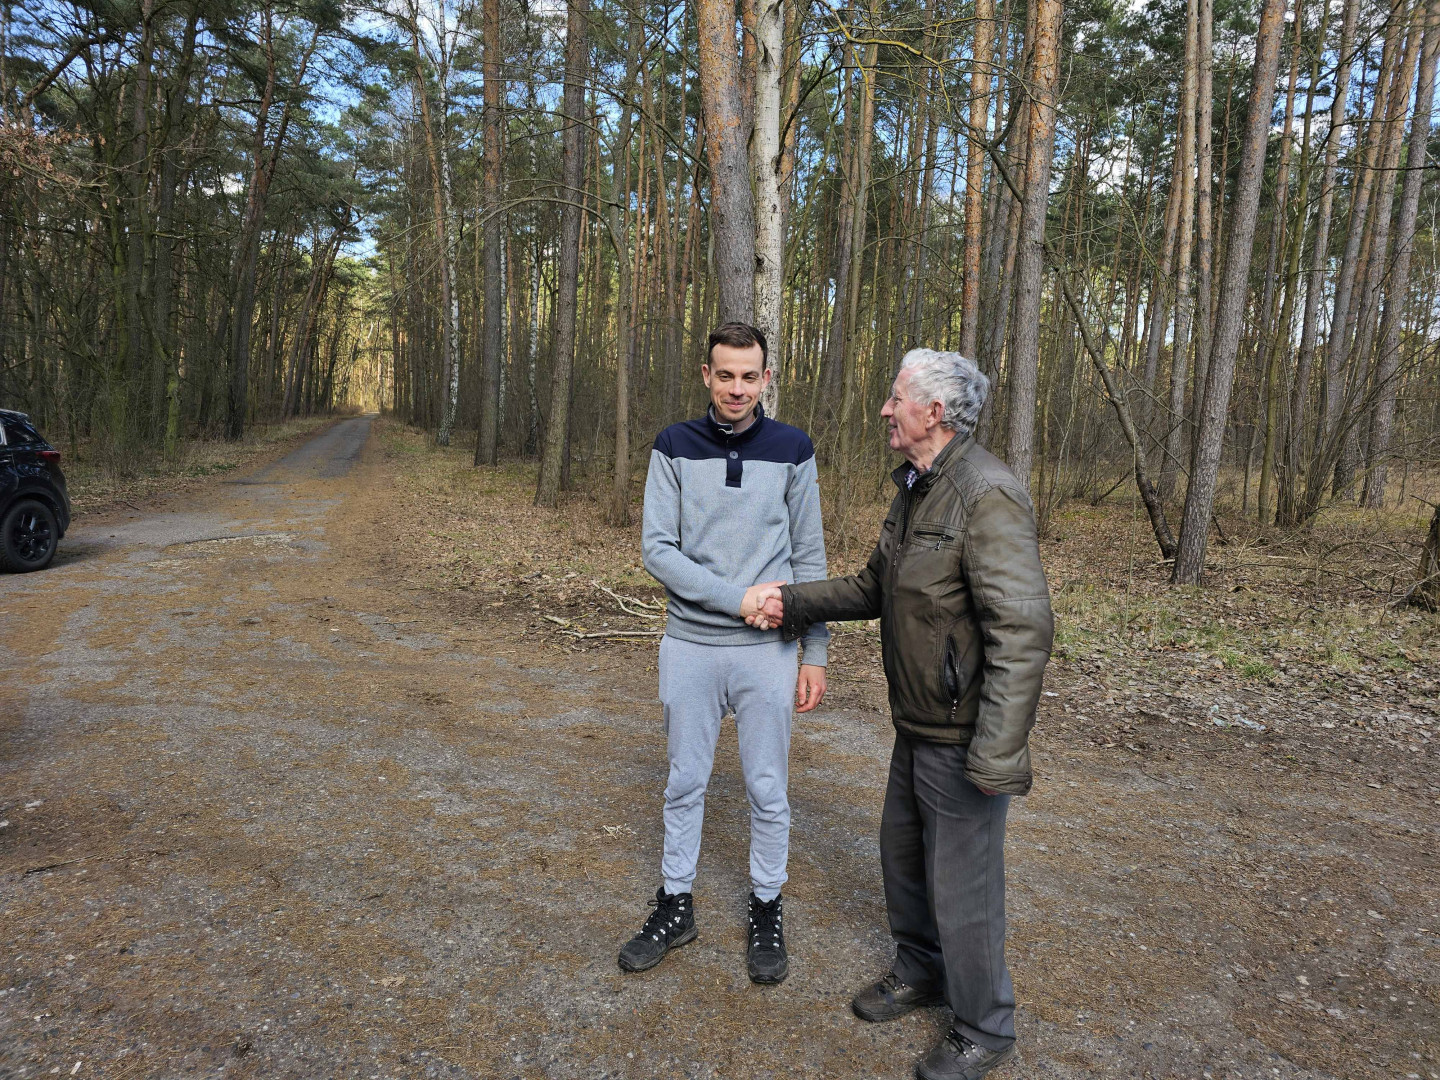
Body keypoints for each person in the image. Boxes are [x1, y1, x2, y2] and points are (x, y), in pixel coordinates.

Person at [748, 349, 1053, 1079]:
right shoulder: (918, 489)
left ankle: (985, 1027)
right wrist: (790, 601)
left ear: (934, 412)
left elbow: (1022, 629)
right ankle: (922, 972)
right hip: (916, 724)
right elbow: (872, 588)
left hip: (963, 733)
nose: (885, 410)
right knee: (904, 860)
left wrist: (996, 752)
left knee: (964, 888)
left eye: (896, 398)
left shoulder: (987, 494)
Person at [617, 322, 830, 985]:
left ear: (767, 378)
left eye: (750, 376)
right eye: (726, 375)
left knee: (768, 788)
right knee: (685, 781)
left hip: (769, 652)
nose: (738, 388)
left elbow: (809, 557)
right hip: (691, 645)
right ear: (707, 375)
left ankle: (766, 906)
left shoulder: (793, 449)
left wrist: (816, 652)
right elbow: (658, 551)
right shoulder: (673, 445)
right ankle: (675, 903)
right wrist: (738, 599)